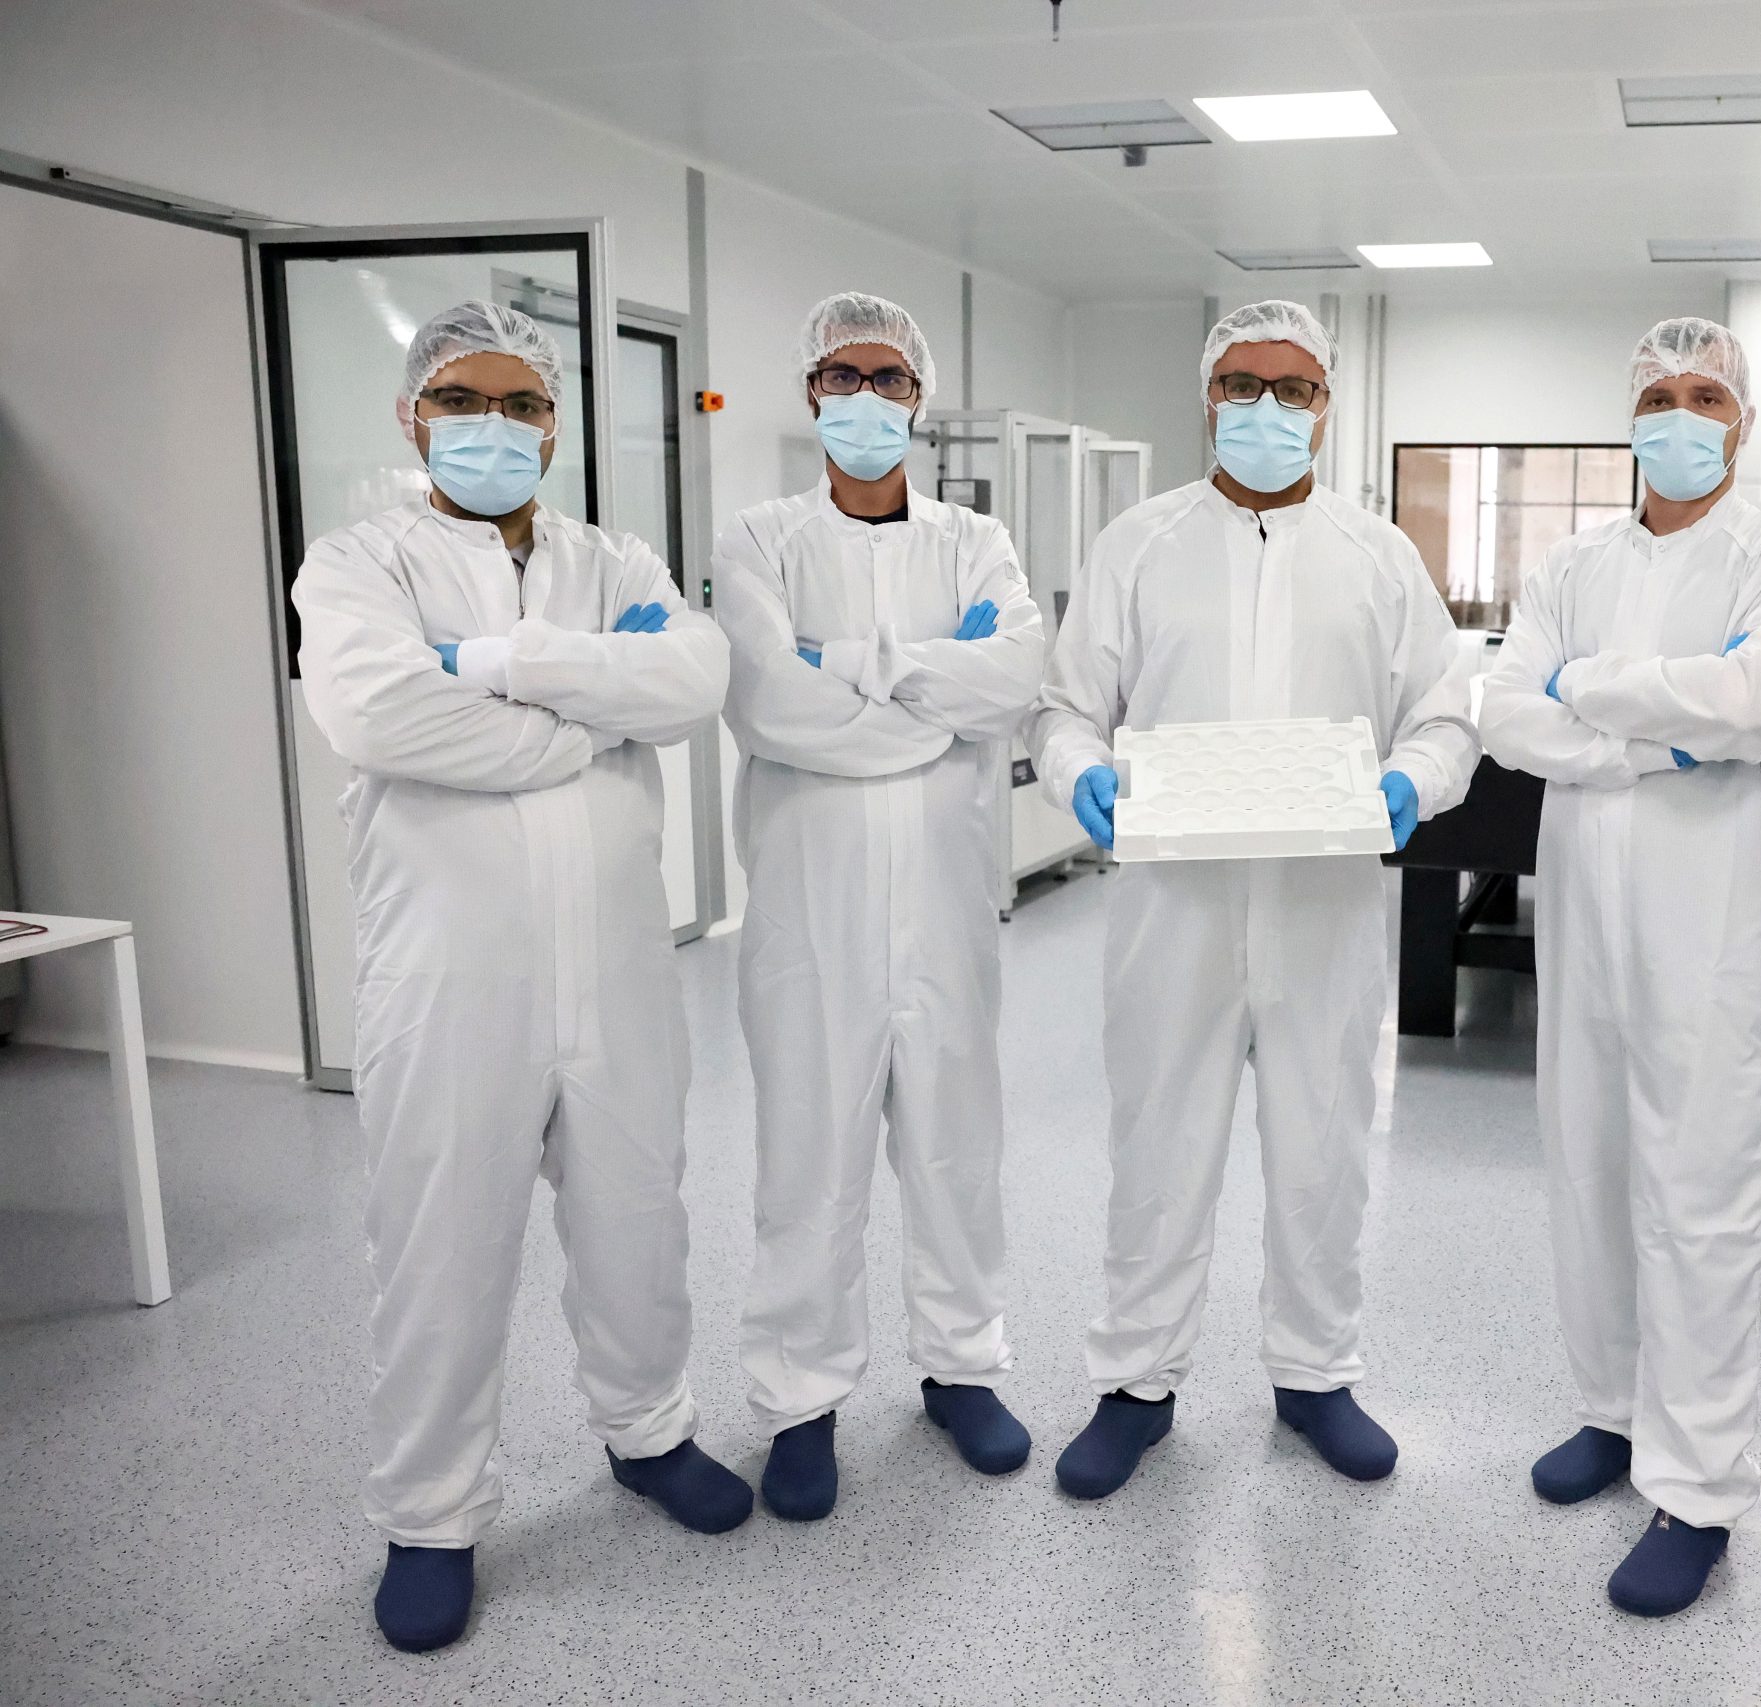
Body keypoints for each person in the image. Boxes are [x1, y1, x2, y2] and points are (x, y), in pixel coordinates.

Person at [293, 301, 745, 1655]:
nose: (493, 425)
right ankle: (430, 1513)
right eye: (462, 400)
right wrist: (582, 727)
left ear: (555, 425)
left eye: (522, 404)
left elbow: (692, 680)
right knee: (440, 1241)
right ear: (412, 416)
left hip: (618, 966)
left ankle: (648, 1431)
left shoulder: (613, 559)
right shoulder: (359, 564)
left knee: (637, 1216)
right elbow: (380, 713)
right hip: (448, 975)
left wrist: (507, 676)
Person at [1031, 299, 1479, 1498]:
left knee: (1323, 1140)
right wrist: (1079, 775)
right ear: (1207, 393)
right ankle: (1136, 1384)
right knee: (1157, 1140)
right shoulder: (1139, 543)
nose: (1266, 408)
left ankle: (1314, 1374)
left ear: (1326, 405)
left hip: (1322, 901)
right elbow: (1066, 708)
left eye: (1294, 388)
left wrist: (1412, 781)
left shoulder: (1377, 553)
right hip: (1171, 902)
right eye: (1242, 384)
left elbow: (1446, 713)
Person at [1478, 318, 1761, 1617]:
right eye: (1658, 396)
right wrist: (1653, 737)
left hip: (1709, 919)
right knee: (1589, 1161)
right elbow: (1504, 710)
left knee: (1701, 1190)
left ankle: (1699, 1484)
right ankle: (1612, 1411)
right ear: (1629, 419)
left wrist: (1588, 691)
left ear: (1742, 421)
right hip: (1581, 911)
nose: (1680, 416)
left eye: (1705, 397)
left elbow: (1751, 704)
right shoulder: (1573, 560)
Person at [716, 293, 1046, 1517]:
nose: (866, 397)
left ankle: (962, 1369)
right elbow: (769, 707)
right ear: (811, 391)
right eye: (844, 376)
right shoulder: (759, 539)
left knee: (957, 1142)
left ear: (921, 396)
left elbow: (1014, 678)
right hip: (810, 910)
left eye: (890, 378)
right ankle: (800, 1399)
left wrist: (845, 669)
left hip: (949, 902)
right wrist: (929, 698)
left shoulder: (974, 541)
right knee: (810, 1152)